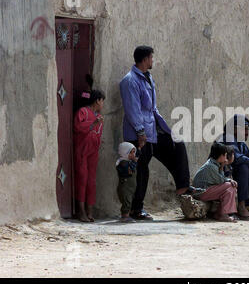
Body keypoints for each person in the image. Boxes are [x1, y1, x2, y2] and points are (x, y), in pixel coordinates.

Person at [119, 46, 191, 220]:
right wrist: (140, 132)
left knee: (177, 145)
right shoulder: (130, 81)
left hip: (152, 130)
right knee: (142, 170)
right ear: (145, 59)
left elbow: (153, 109)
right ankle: (136, 209)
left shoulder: (147, 78)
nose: (153, 61)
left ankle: (182, 185)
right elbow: (132, 110)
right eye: (151, 58)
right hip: (138, 134)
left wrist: (165, 129)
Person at [73, 90, 105, 222]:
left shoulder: (99, 117)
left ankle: (89, 211)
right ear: (98, 100)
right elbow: (78, 127)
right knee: (82, 179)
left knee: (91, 181)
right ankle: (80, 211)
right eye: (102, 101)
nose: (103, 104)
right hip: (82, 150)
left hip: (93, 152)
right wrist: (93, 124)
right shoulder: (83, 112)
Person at [191, 142, 239, 223]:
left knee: (230, 188)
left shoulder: (213, 163)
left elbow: (221, 180)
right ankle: (223, 214)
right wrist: (223, 166)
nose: (226, 157)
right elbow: (221, 180)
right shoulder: (211, 166)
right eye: (225, 155)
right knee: (230, 186)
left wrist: (229, 179)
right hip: (201, 192)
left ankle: (220, 214)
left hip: (205, 190)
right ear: (220, 155)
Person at [115, 142, 140, 223]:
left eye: (134, 152)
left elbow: (137, 156)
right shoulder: (123, 163)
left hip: (130, 187)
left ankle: (127, 215)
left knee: (129, 200)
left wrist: (139, 148)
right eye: (131, 152)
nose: (133, 154)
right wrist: (134, 162)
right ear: (125, 152)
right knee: (127, 201)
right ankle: (125, 216)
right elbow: (128, 172)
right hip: (125, 187)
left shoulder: (128, 161)